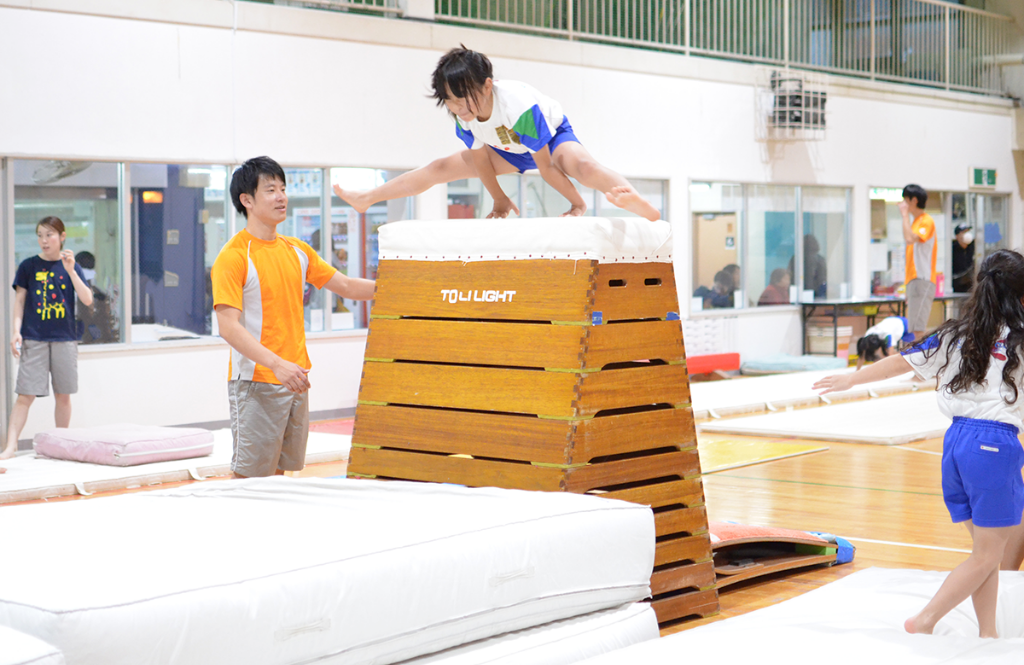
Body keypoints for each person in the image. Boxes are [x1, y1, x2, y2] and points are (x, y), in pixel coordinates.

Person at [813, 249, 1024, 638]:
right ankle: (926, 619)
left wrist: (851, 380)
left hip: (956, 444)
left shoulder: (958, 334)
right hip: (994, 446)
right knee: (986, 555)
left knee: (986, 554)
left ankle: (988, 632)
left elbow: (900, 362)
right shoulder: (1018, 340)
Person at [332, 46, 661, 222]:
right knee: (439, 168)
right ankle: (367, 198)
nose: (458, 110)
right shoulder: (466, 116)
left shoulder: (518, 107)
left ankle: (638, 202)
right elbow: (480, 163)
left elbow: (546, 167)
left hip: (550, 137)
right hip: (504, 147)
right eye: (450, 104)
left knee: (582, 167)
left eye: (462, 100)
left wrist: (576, 204)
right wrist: (500, 199)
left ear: (487, 86)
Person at [212, 157, 375, 478]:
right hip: (257, 381)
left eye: (283, 189)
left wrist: (400, 286)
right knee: (251, 477)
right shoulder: (233, 257)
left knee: (282, 474)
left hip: (296, 378)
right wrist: (276, 363)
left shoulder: (297, 250)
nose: (281, 197)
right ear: (247, 200)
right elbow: (228, 328)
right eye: (270, 190)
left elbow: (347, 286)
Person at [2, 217, 94, 460]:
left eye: (49, 235)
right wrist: (15, 331)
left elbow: (87, 299)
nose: (44, 240)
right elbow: (19, 302)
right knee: (25, 395)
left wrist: (72, 271)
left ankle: (60, 445)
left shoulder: (70, 266)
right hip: (34, 338)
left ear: (62, 237)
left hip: (65, 338)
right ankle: (10, 447)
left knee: (63, 395)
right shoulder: (28, 266)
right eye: (40, 235)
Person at [901, 184, 936, 341]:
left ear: (913, 200)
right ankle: (917, 364)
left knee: (919, 329)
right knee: (915, 328)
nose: (903, 204)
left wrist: (903, 215)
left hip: (923, 279)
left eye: (905, 200)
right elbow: (908, 237)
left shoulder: (926, 221)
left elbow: (909, 239)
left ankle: (922, 364)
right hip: (913, 280)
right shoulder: (915, 222)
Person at [952, 223, 976, 293]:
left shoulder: (973, 247)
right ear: (957, 236)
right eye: (964, 232)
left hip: (971, 285)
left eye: (968, 232)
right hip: (957, 286)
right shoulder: (952, 249)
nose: (967, 234)